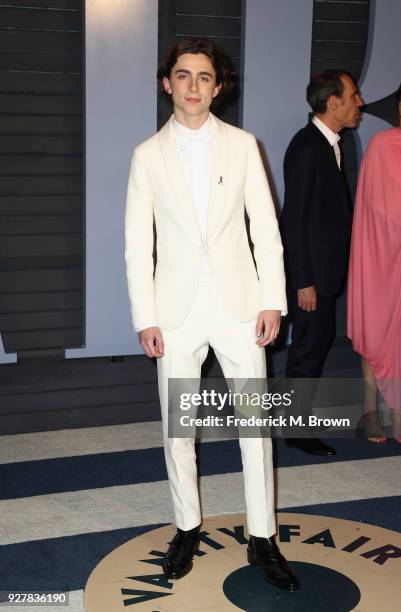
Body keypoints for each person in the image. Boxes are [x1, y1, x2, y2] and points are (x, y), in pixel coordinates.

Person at [125, 38, 300, 591]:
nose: (193, 86)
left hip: (239, 304)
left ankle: (263, 537)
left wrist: (273, 299)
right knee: (179, 431)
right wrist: (145, 316)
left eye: (204, 77)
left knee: (255, 427)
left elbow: (266, 230)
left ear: (218, 87)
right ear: (166, 84)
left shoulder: (245, 146)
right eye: (183, 76)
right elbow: (137, 245)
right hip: (174, 311)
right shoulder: (146, 156)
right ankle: (186, 527)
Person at [281, 70, 363, 456]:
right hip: (311, 278)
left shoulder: (327, 143)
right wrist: (304, 281)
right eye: (353, 96)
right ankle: (295, 429)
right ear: (334, 102)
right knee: (307, 349)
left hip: (323, 274)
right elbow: (293, 219)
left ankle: (297, 422)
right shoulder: (307, 147)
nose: (359, 103)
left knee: (314, 345)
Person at [348, 70, 401, 444]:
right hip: (381, 254)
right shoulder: (382, 144)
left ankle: (400, 414)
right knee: (377, 329)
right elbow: (373, 207)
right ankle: (370, 408)